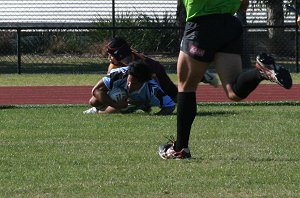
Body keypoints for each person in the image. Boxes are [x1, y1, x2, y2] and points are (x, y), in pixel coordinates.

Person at [158, 0, 293, 160]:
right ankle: (260, 72)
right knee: (233, 91)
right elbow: (244, 4)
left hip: (201, 24)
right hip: (229, 25)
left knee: (186, 87)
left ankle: (180, 149)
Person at [105, 37, 219, 102]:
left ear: (119, 54)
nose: (109, 58)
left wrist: (157, 97)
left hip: (158, 73)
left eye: (111, 55)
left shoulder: (143, 64)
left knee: (177, 99)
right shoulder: (116, 64)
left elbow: (154, 83)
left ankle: (200, 75)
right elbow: (109, 84)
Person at [83, 61, 176, 115]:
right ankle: (97, 108)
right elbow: (95, 90)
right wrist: (116, 104)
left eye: (134, 83)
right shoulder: (119, 74)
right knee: (93, 101)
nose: (129, 85)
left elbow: (170, 106)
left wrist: (156, 116)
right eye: (129, 81)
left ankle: (98, 112)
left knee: (123, 108)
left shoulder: (152, 88)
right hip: (116, 95)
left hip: (139, 100)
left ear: (143, 82)